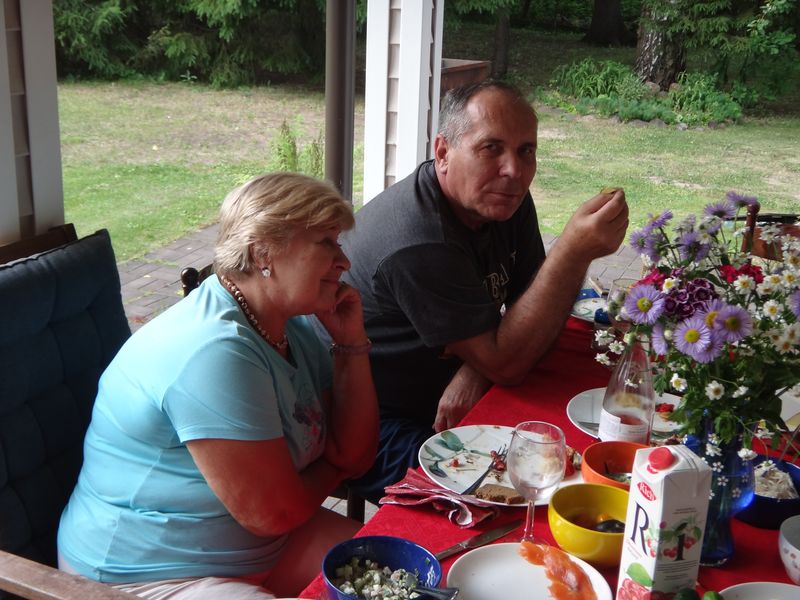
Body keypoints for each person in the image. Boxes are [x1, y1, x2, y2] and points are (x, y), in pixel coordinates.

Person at [57, 172, 379, 599]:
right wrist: (332, 468)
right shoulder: (213, 351)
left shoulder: (290, 326)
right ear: (263, 252)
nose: (344, 262)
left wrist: (351, 343)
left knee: (407, 573)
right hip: (146, 574)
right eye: (326, 243)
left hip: (265, 546)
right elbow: (273, 513)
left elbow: (356, 455)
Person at [331, 80, 628, 503]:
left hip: (447, 389)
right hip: (370, 421)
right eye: (491, 148)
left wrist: (478, 364)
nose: (514, 171)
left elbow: (534, 303)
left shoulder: (502, 200)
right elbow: (511, 361)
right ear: (443, 152)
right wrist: (572, 252)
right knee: (509, 493)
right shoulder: (420, 240)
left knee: (575, 452)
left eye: (526, 151)